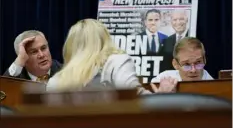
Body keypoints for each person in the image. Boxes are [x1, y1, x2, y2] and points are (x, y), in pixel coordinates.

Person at [46, 19, 177, 94]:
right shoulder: (117, 61)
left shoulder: (54, 81)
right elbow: (133, 97)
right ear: (104, 39)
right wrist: (161, 96)